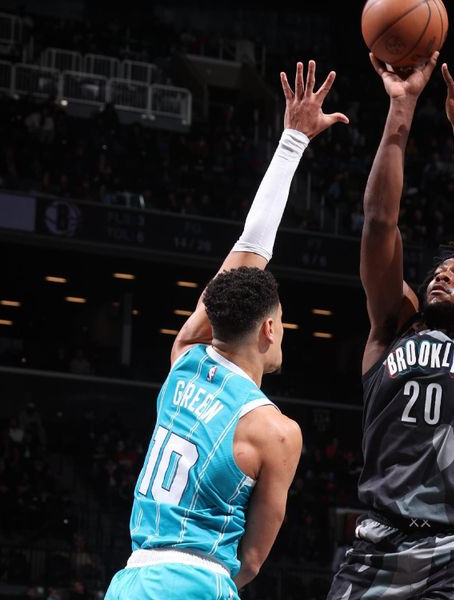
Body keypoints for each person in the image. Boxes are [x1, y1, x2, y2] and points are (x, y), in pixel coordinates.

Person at [104, 59, 348, 599]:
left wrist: (291, 142)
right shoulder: (277, 432)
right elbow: (253, 560)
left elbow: (246, 257)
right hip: (197, 582)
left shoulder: (184, 358)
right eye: (281, 321)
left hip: (132, 579)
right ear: (266, 329)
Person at [326, 45, 454, 600]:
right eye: (439, 269)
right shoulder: (393, 327)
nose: (444, 275)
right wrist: (403, 105)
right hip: (376, 541)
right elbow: (378, 222)